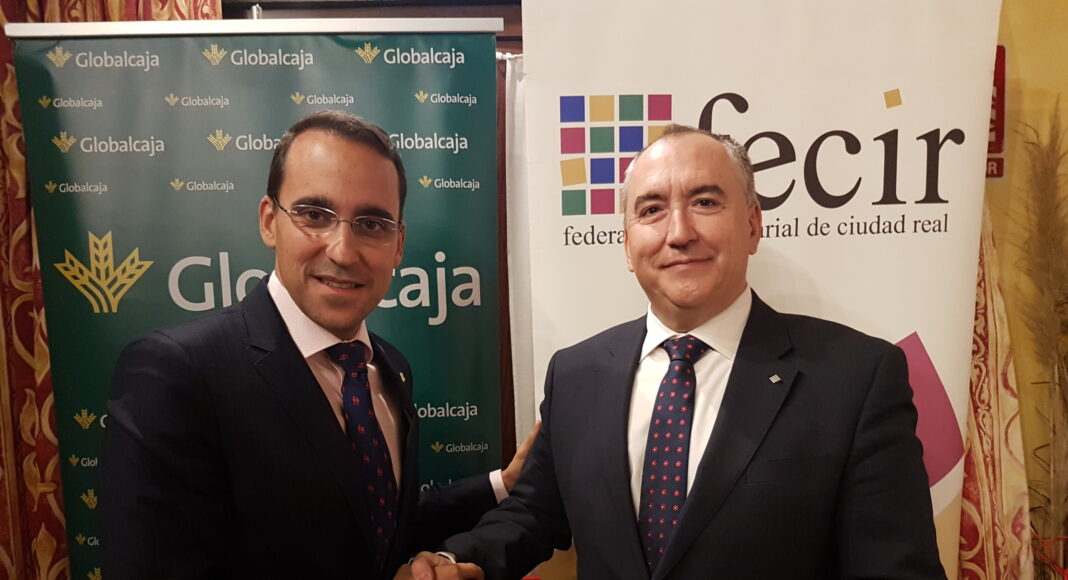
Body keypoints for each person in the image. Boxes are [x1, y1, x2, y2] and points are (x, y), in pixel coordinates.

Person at [402, 124, 945, 579]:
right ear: (627, 244)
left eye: (705, 202)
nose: (679, 232)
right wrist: (458, 560)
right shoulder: (576, 373)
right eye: (652, 209)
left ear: (753, 224)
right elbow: (536, 511)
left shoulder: (855, 378)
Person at [103, 110, 529, 579]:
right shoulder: (179, 373)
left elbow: (372, 526)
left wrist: (503, 484)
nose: (342, 250)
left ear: (398, 244)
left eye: (372, 224)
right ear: (270, 221)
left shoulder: (389, 368)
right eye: (314, 215)